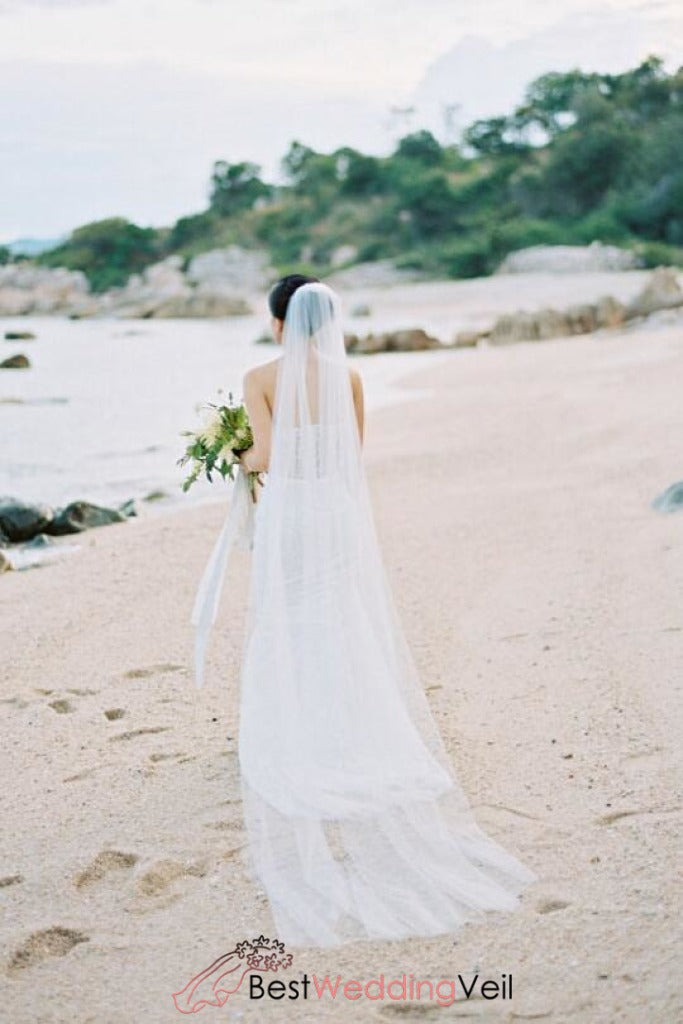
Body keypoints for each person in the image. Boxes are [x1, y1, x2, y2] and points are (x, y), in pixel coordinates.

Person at [233, 275, 536, 947]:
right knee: (337, 616)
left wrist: (231, 455)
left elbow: (268, 454)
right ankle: (347, 717)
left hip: (294, 514)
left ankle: (300, 722)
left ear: (281, 323)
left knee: (292, 617)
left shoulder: (259, 376)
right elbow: (351, 457)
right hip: (335, 513)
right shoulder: (351, 377)